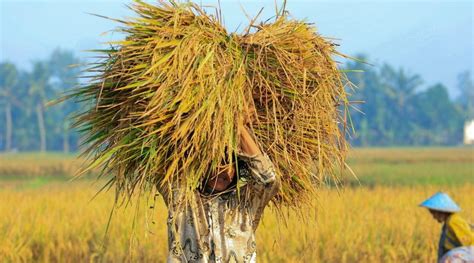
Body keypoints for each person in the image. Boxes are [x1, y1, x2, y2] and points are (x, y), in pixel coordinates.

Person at [157, 124, 281, 262]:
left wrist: (239, 127)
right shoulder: (183, 202)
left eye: (230, 163)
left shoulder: (246, 206)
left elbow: (269, 180)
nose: (224, 169)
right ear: (202, 168)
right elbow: (163, 169)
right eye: (217, 162)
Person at [420, 192, 474, 263]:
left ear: (441, 211)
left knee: (450, 258)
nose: (433, 216)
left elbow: (470, 242)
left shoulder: (453, 221)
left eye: (433, 213)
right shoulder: (448, 223)